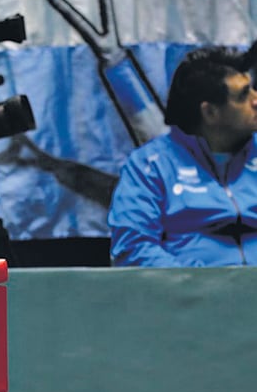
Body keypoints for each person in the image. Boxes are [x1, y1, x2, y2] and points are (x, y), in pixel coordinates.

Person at [108, 44, 257, 266]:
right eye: (244, 95)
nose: (256, 100)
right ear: (210, 112)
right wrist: (198, 281)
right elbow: (133, 248)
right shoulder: (150, 166)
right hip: (192, 285)